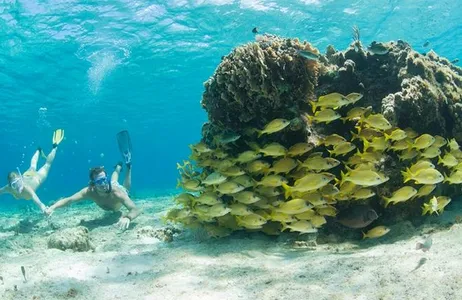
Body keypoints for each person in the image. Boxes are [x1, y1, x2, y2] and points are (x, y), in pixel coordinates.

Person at [45, 161, 141, 230]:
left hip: (117, 188)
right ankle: (118, 167)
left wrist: (128, 217)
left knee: (125, 188)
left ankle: (128, 167)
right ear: (93, 184)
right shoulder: (89, 191)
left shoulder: (117, 193)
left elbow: (135, 209)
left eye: (104, 179)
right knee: (114, 181)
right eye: (99, 181)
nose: (103, 184)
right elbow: (69, 200)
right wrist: (53, 207)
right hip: (111, 189)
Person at [0, 129, 65, 214]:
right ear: (10, 185)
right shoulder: (8, 188)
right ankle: (38, 150)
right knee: (33, 166)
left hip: (37, 178)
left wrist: (44, 209)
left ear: (20, 178)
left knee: (47, 164)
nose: (17, 185)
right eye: (14, 184)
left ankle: (54, 147)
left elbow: (36, 199)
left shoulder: (27, 188)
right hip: (27, 175)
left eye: (18, 181)